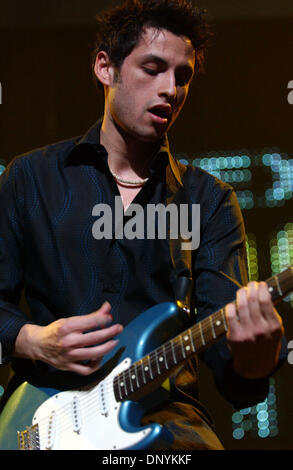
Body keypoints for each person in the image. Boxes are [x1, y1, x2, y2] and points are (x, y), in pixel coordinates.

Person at [0, 0, 287, 450]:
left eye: (182, 76)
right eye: (152, 69)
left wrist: (256, 356)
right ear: (105, 68)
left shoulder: (209, 201)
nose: (170, 89)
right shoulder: (29, 178)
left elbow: (229, 367)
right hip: (43, 418)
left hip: (163, 420)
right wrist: (33, 340)